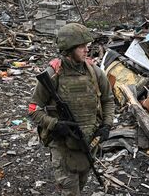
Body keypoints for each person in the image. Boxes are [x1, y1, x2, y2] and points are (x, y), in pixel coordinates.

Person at [28, 23, 115, 195]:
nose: (86, 50)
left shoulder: (95, 73)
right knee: (70, 190)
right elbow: (33, 109)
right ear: (68, 49)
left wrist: (107, 124)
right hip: (63, 145)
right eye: (81, 46)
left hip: (88, 143)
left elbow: (108, 100)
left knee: (82, 183)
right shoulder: (52, 75)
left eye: (87, 46)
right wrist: (54, 124)